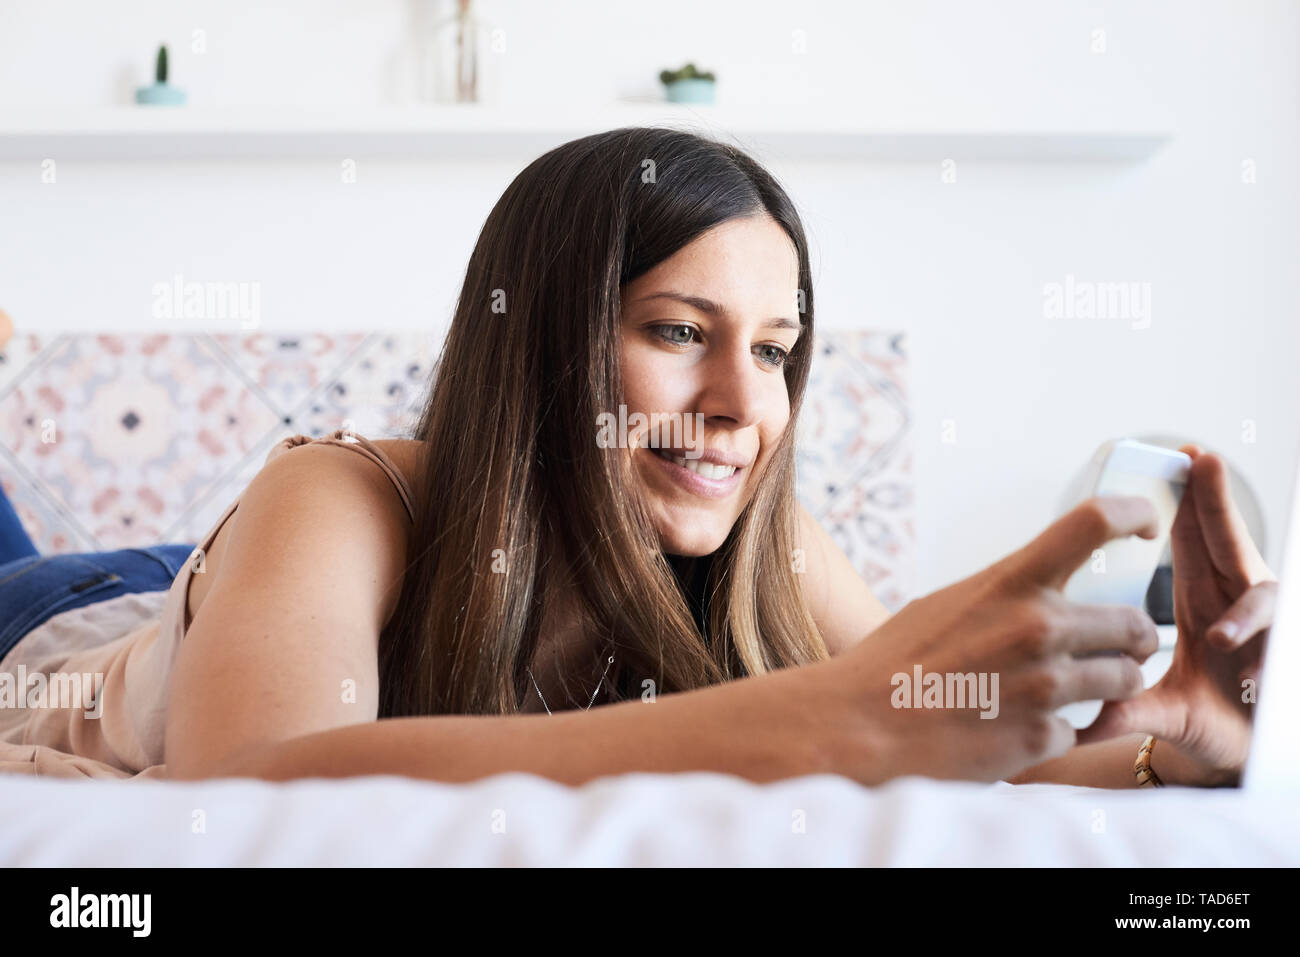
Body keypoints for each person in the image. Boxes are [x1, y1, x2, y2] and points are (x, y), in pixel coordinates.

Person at [0, 127, 1279, 788]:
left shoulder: (749, 526)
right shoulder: (337, 491)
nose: (741, 405)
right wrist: (816, 719)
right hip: (80, 623)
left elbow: (927, 733)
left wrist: (1175, 745)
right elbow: (250, 785)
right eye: (678, 331)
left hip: (263, 606)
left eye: (776, 351)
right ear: (542, 340)